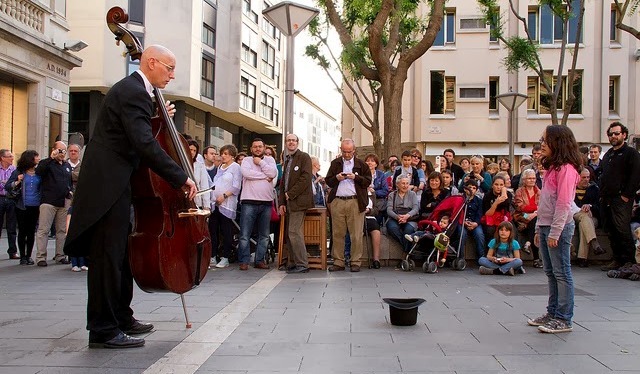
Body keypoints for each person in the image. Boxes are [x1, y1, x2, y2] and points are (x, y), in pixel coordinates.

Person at [64, 45, 198, 349]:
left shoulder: (137, 93)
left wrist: (155, 113)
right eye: (168, 67)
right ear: (151, 62)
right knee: (107, 258)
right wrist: (181, 176)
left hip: (116, 185)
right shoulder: (134, 91)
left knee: (120, 257)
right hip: (107, 187)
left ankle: (122, 317)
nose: (172, 74)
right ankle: (103, 329)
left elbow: (134, 133)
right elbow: (144, 144)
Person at [527, 124, 582, 334]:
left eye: (544, 140)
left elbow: (563, 203)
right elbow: (545, 202)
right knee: (551, 272)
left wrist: (555, 232)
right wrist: (539, 228)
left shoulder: (567, 170)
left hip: (558, 226)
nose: (541, 144)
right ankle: (552, 312)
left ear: (557, 142)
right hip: (546, 224)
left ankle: (564, 318)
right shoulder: (552, 168)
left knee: (561, 272)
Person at [598, 122, 640, 271]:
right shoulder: (608, 154)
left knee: (622, 229)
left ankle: (629, 261)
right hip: (606, 198)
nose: (613, 136)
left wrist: (626, 195)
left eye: (616, 133)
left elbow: (635, 176)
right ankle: (617, 259)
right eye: (611, 134)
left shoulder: (631, 153)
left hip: (621, 199)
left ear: (624, 135)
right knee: (610, 229)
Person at [325, 139, 371, 272]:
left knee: (356, 233)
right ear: (341, 150)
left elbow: (368, 181)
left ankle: (355, 261)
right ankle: (338, 261)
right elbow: (328, 181)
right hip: (338, 200)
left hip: (355, 201)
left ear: (354, 150)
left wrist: (355, 177)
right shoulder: (335, 163)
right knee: (338, 233)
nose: (346, 154)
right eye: (344, 151)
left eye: (349, 152)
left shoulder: (361, 164)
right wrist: (337, 178)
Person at [239, 138, 278, 270]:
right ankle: (244, 261)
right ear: (251, 149)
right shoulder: (246, 160)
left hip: (266, 202)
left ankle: (259, 260)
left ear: (264, 147)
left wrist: (261, 162)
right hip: (248, 201)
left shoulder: (270, 160)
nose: (257, 149)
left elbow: (273, 173)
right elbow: (246, 174)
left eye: (260, 146)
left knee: (264, 235)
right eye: (255, 146)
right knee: (245, 234)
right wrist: (264, 176)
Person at [278, 134, 313, 274]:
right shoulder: (287, 159)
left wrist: (290, 194)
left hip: (299, 201)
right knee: (289, 233)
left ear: (298, 143)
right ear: (286, 143)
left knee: (294, 232)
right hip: (288, 202)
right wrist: (282, 202)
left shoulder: (304, 157)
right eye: (288, 140)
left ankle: (302, 264)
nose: (291, 142)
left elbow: (305, 178)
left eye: (293, 140)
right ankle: (292, 262)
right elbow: (282, 183)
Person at [35, 141, 72, 267]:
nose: (62, 153)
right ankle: (41, 257)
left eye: (64, 150)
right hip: (48, 201)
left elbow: (69, 181)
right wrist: (51, 158)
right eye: (60, 150)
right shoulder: (47, 163)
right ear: (54, 150)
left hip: (63, 202)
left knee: (61, 230)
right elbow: (39, 171)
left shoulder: (66, 165)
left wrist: (69, 191)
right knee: (43, 230)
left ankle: (60, 255)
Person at [5, 150, 40, 265]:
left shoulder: (39, 172)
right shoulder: (19, 172)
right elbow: (8, 186)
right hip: (22, 206)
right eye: (36, 157)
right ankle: (22, 257)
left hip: (35, 206)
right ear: (30, 159)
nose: (38, 159)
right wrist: (17, 181)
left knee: (31, 232)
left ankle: (29, 255)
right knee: (22, 231)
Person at [210, 144, 242, 269]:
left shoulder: (236, 168)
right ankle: (213, 255)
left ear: (232, 156)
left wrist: (224, 196)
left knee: (226, 230)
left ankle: (226, 257)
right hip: (215, 203)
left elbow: (236, 186)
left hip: (226, 203)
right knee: (213, 229)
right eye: (222, 153)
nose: (223, 156)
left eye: (226, 154)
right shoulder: (220, 167)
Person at [573, 168, 605, 267]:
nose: (586, 179)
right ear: (578, 177)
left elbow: (599, 207)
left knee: (585, 221)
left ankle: (582, 259)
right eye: (583, 177)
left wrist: (590, 207)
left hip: (591, 217)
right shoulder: (571, 188)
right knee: (584, 216)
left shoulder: (594, 188)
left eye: (588, 177)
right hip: (574, 215)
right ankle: (594, 244)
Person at [512, 169, 542, 268]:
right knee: (534, 221)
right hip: (522, 216)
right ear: (524, 180)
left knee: (534, 222)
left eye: (533, 178)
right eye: (529, 178)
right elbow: (520, 207)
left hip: (534, 217)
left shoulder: (539, 192)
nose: (532, 180)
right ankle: (536, 259)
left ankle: (528, 243)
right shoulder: (519, 191)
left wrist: (534, 213)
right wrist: (535, 211)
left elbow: (542, 206)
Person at [385, 175, 419, 254]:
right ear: (397, 184)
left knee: (408, 230)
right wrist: (398, 217)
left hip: (410, 217)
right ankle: (408, 250)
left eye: (407, 183)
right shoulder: (392, 195)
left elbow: (416, 208)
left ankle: (406, 252)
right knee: (392, 228)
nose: (405, 186)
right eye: (403, 183)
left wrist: (407, 216)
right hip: (395, 217)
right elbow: (389, 210)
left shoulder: (412, 194)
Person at [66, 143, 87, 272]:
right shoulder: (64, 165)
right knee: (72, 232)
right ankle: (74, 262)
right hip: (71, 202)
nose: (73, 153)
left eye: (76, 151)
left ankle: (82, 261)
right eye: (71, 150)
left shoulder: (83, 166)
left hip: (82, 203)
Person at [460, 179, 486, 259]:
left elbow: (480, 213)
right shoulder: (460, 199)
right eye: (469, 187)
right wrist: (463, 222)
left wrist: (476, 223)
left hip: (474, 222)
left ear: (476, 190)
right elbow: (458, 212)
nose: (471, 189)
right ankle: (460, 257)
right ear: (465, 189)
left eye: (474, 188)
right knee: (462, 234)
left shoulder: (479, 200)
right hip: (462, 222)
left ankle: (481, 257)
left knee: (479, 234)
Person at [481, 175, 512, 240]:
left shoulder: (508, 194)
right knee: (490, 230)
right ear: (492, 185)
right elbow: (487, 214)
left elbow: (506, 203)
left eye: (501, 185)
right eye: (496, 184)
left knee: (512, 230)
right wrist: (496, 203)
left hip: (504, 217)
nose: (498, 187)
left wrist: (504, 192)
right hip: (491, 217)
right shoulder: (487, 195)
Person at [0, 149, 18, 259]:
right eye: (9, 156)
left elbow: (16, 184)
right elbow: (10, 183)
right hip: (0, 198)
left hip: (11, 198)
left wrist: (6, 183)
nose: (12, 158)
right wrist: (8, 183)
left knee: (12, 227)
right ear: (2, 158)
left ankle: (12, 251)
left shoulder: (14, 169)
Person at [187, 140, 212, 210]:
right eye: (190, 149)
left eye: (195, 151)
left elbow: (204, 185)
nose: (192, 152)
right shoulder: (179, 163)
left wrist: (206, 206)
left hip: (196, 202)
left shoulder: (200, 166)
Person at [365, 153, 389, 224]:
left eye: (372, 161)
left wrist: (374, 192)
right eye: (368, 161)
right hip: (365, 201)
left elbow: (385, 191)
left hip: (378, 202)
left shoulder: (381, 175)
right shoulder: (361, 175)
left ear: (376, 164)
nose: (369, 163)